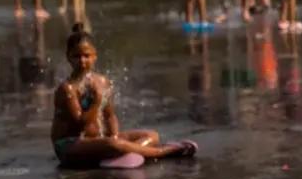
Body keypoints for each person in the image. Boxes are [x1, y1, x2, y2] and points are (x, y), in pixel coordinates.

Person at [51, 32, 198, 167]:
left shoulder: (102, 82)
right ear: (68, 57)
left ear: (95, 56)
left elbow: (109, 116)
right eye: (77, 56)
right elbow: (81, 125)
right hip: (70, 145)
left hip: (97, 140)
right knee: (113, 144)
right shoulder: (67, 89)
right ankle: (166, 151)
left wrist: (115, 136)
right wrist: (96, 102)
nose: (82, 61)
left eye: (87, 56)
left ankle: (121, 152)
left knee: (151, 135)